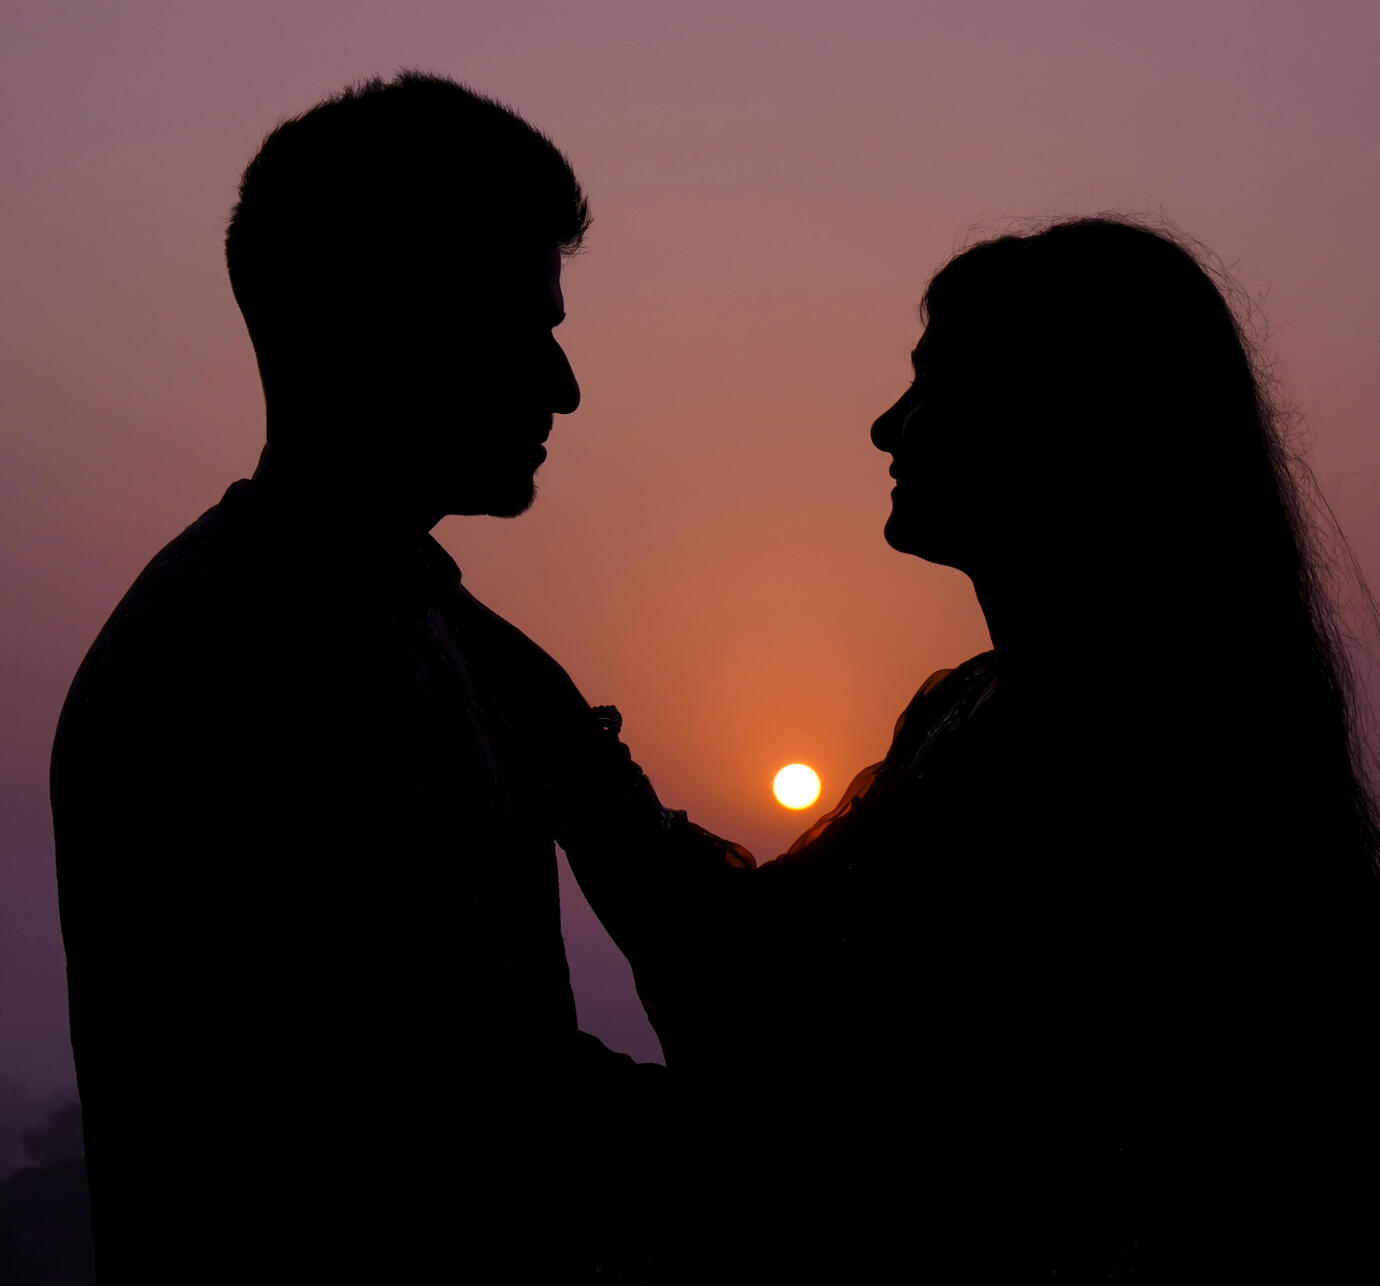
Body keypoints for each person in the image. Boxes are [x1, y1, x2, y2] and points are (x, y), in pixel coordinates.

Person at [560, 218, 1380, 1280]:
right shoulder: (979, 706)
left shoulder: (1117, 754)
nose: (885, 425)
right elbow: (762, 970)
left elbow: (815, 1059)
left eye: (933, 385)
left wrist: (572, 764)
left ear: (1058, 423)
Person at [51, 72, 668, 1284]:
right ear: (382, 326)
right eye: (523, 326)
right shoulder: (248, 650)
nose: (563, 385)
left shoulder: (407, 617)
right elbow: (442, 1115)